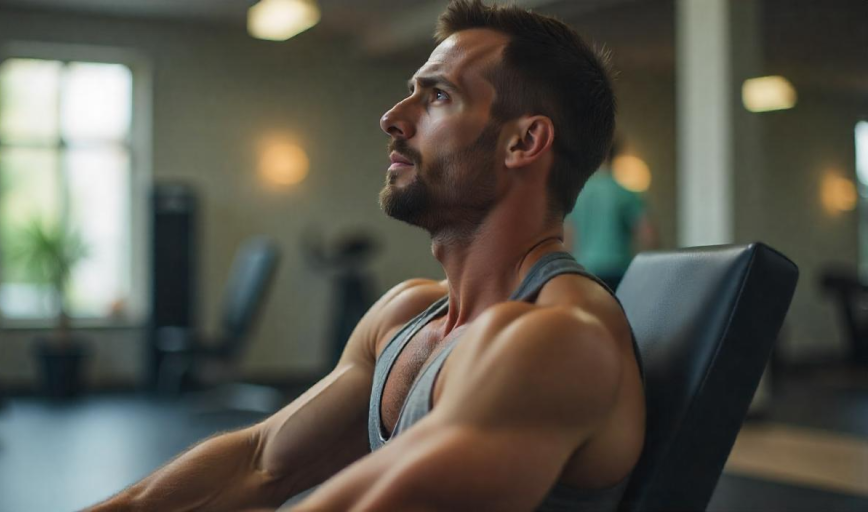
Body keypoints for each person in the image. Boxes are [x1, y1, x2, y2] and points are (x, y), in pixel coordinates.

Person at [91, 1, 645, 510]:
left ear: (524, 143)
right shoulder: (406, 315)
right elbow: (259, 462)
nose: (393, 117)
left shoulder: (558, 340)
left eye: (438, 97)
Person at [565, 140, 658, 290]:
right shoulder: (625, 193)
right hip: (618, 271)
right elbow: (649, 236)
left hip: (585, 271)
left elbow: (568, 237)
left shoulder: (577, 194)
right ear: (615, 155)